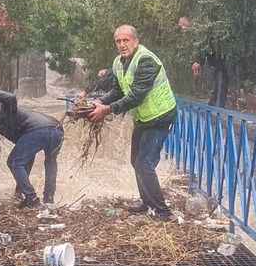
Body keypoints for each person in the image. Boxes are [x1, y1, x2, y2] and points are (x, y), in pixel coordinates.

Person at [88, 25, 177, 220]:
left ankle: (163, 212)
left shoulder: (146, 60)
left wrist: (107, 110)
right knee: (135, 160)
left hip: (161, 115)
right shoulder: (119, 63)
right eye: (118, 41)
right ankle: (147, 203)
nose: (122, 45)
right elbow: (119, 91)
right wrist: (101, 101)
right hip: (144, 117)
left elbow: (136, 96)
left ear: (136, 41)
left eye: (126, 40)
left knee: (144, 163)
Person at [0, 79, 64, 209]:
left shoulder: (8, 115)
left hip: (39, 130)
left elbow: (10, 97)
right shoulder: (21, 123)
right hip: (57, 129)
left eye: (1, 131)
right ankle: (49, 200)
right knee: (50, 162)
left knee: (13, 162)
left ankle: (33, 200)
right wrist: (19, 191)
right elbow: (26, 160)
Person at [178, 16, 229, 108]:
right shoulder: (194, 33)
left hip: (219, 59)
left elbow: (202, 47)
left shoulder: (200, 30)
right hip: (213, 61)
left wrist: (198, 61)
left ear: (188, 22)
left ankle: (218, 106)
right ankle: (214, 104)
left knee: (220, 80)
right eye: (181, 26)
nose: (182, 28)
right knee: (216, 82)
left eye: (183, 25)